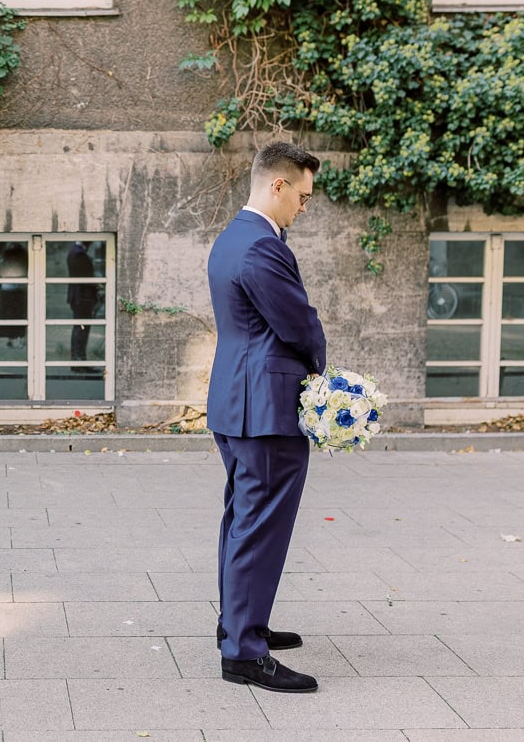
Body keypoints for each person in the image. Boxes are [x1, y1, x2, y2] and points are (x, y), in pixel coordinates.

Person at [206, 141, 326, 693]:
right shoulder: (260, 248)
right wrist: (324, 375)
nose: (305, 207)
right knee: (259, 525)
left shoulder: (232, 238)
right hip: (266, 406)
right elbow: (296, 322)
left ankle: (239, 623)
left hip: (238, 398)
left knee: (243, 519)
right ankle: (244, 653)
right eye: (302, 196)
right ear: (276, 185)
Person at [66, 241, 98, 370]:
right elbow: (85, 278)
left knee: (80, 328)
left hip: (79, 296)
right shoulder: (79, 254)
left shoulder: (75, 251)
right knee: (82, 329)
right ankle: (79, 361)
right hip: (82, 297)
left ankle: (78, 360)